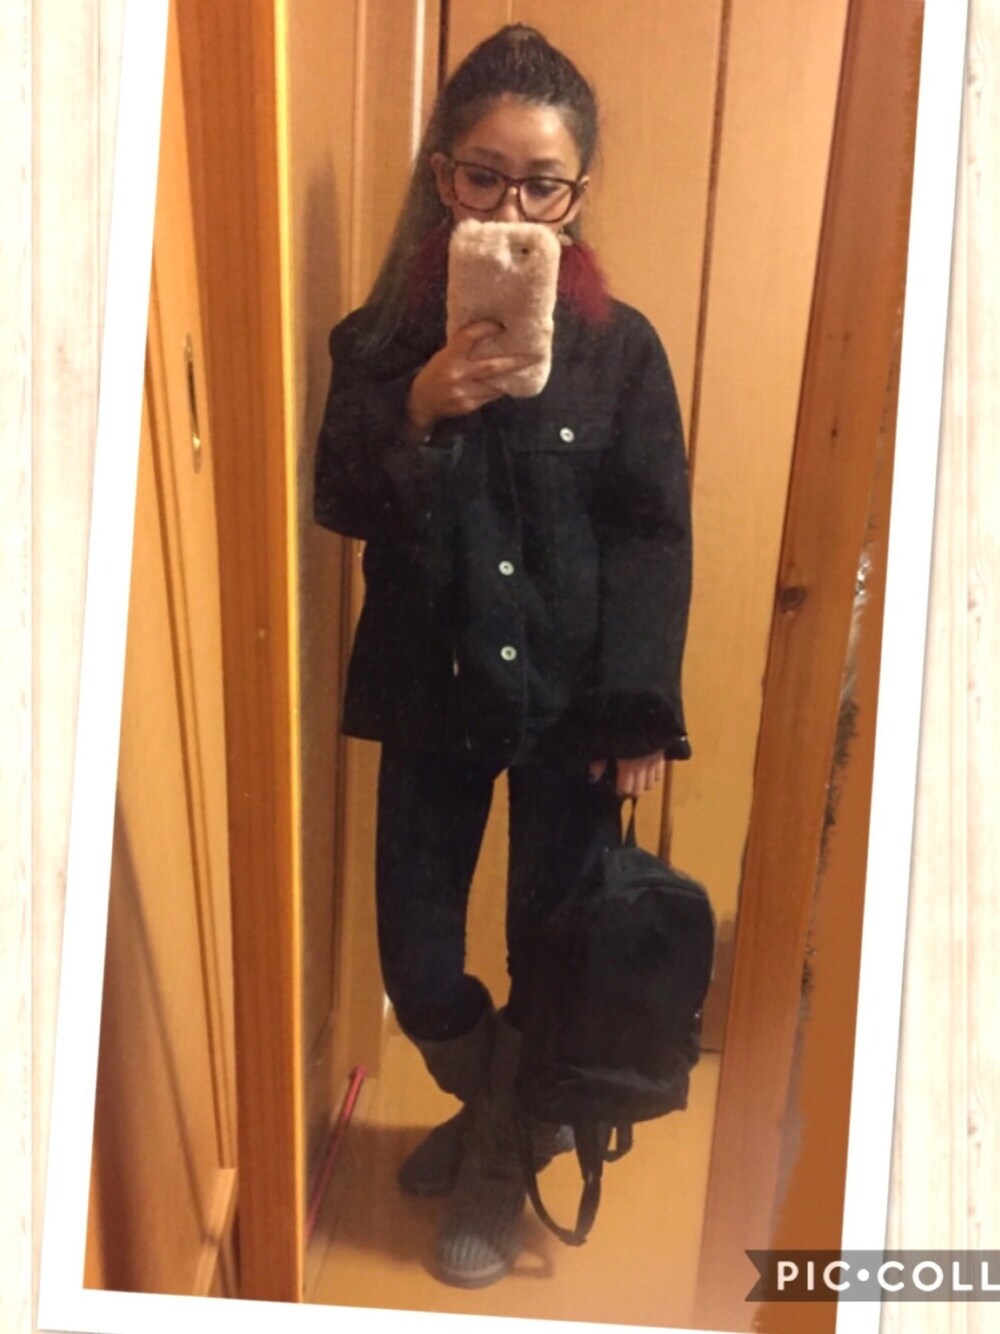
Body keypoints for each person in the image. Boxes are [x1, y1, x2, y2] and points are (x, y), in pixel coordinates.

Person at [313, 23, 693, 1288]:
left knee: (550, 944)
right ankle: (507, 1112)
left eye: (543, 185)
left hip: (574, 705)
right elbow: (338, 498)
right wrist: (421, 406)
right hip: (431, 687)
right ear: (443, 175)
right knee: (418, 958)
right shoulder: (377, 340)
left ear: (578, 194)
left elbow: (650, 531)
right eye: (485, 176)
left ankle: (495, 1158)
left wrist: (638, 707)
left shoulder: (621, 347)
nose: (512, 209)